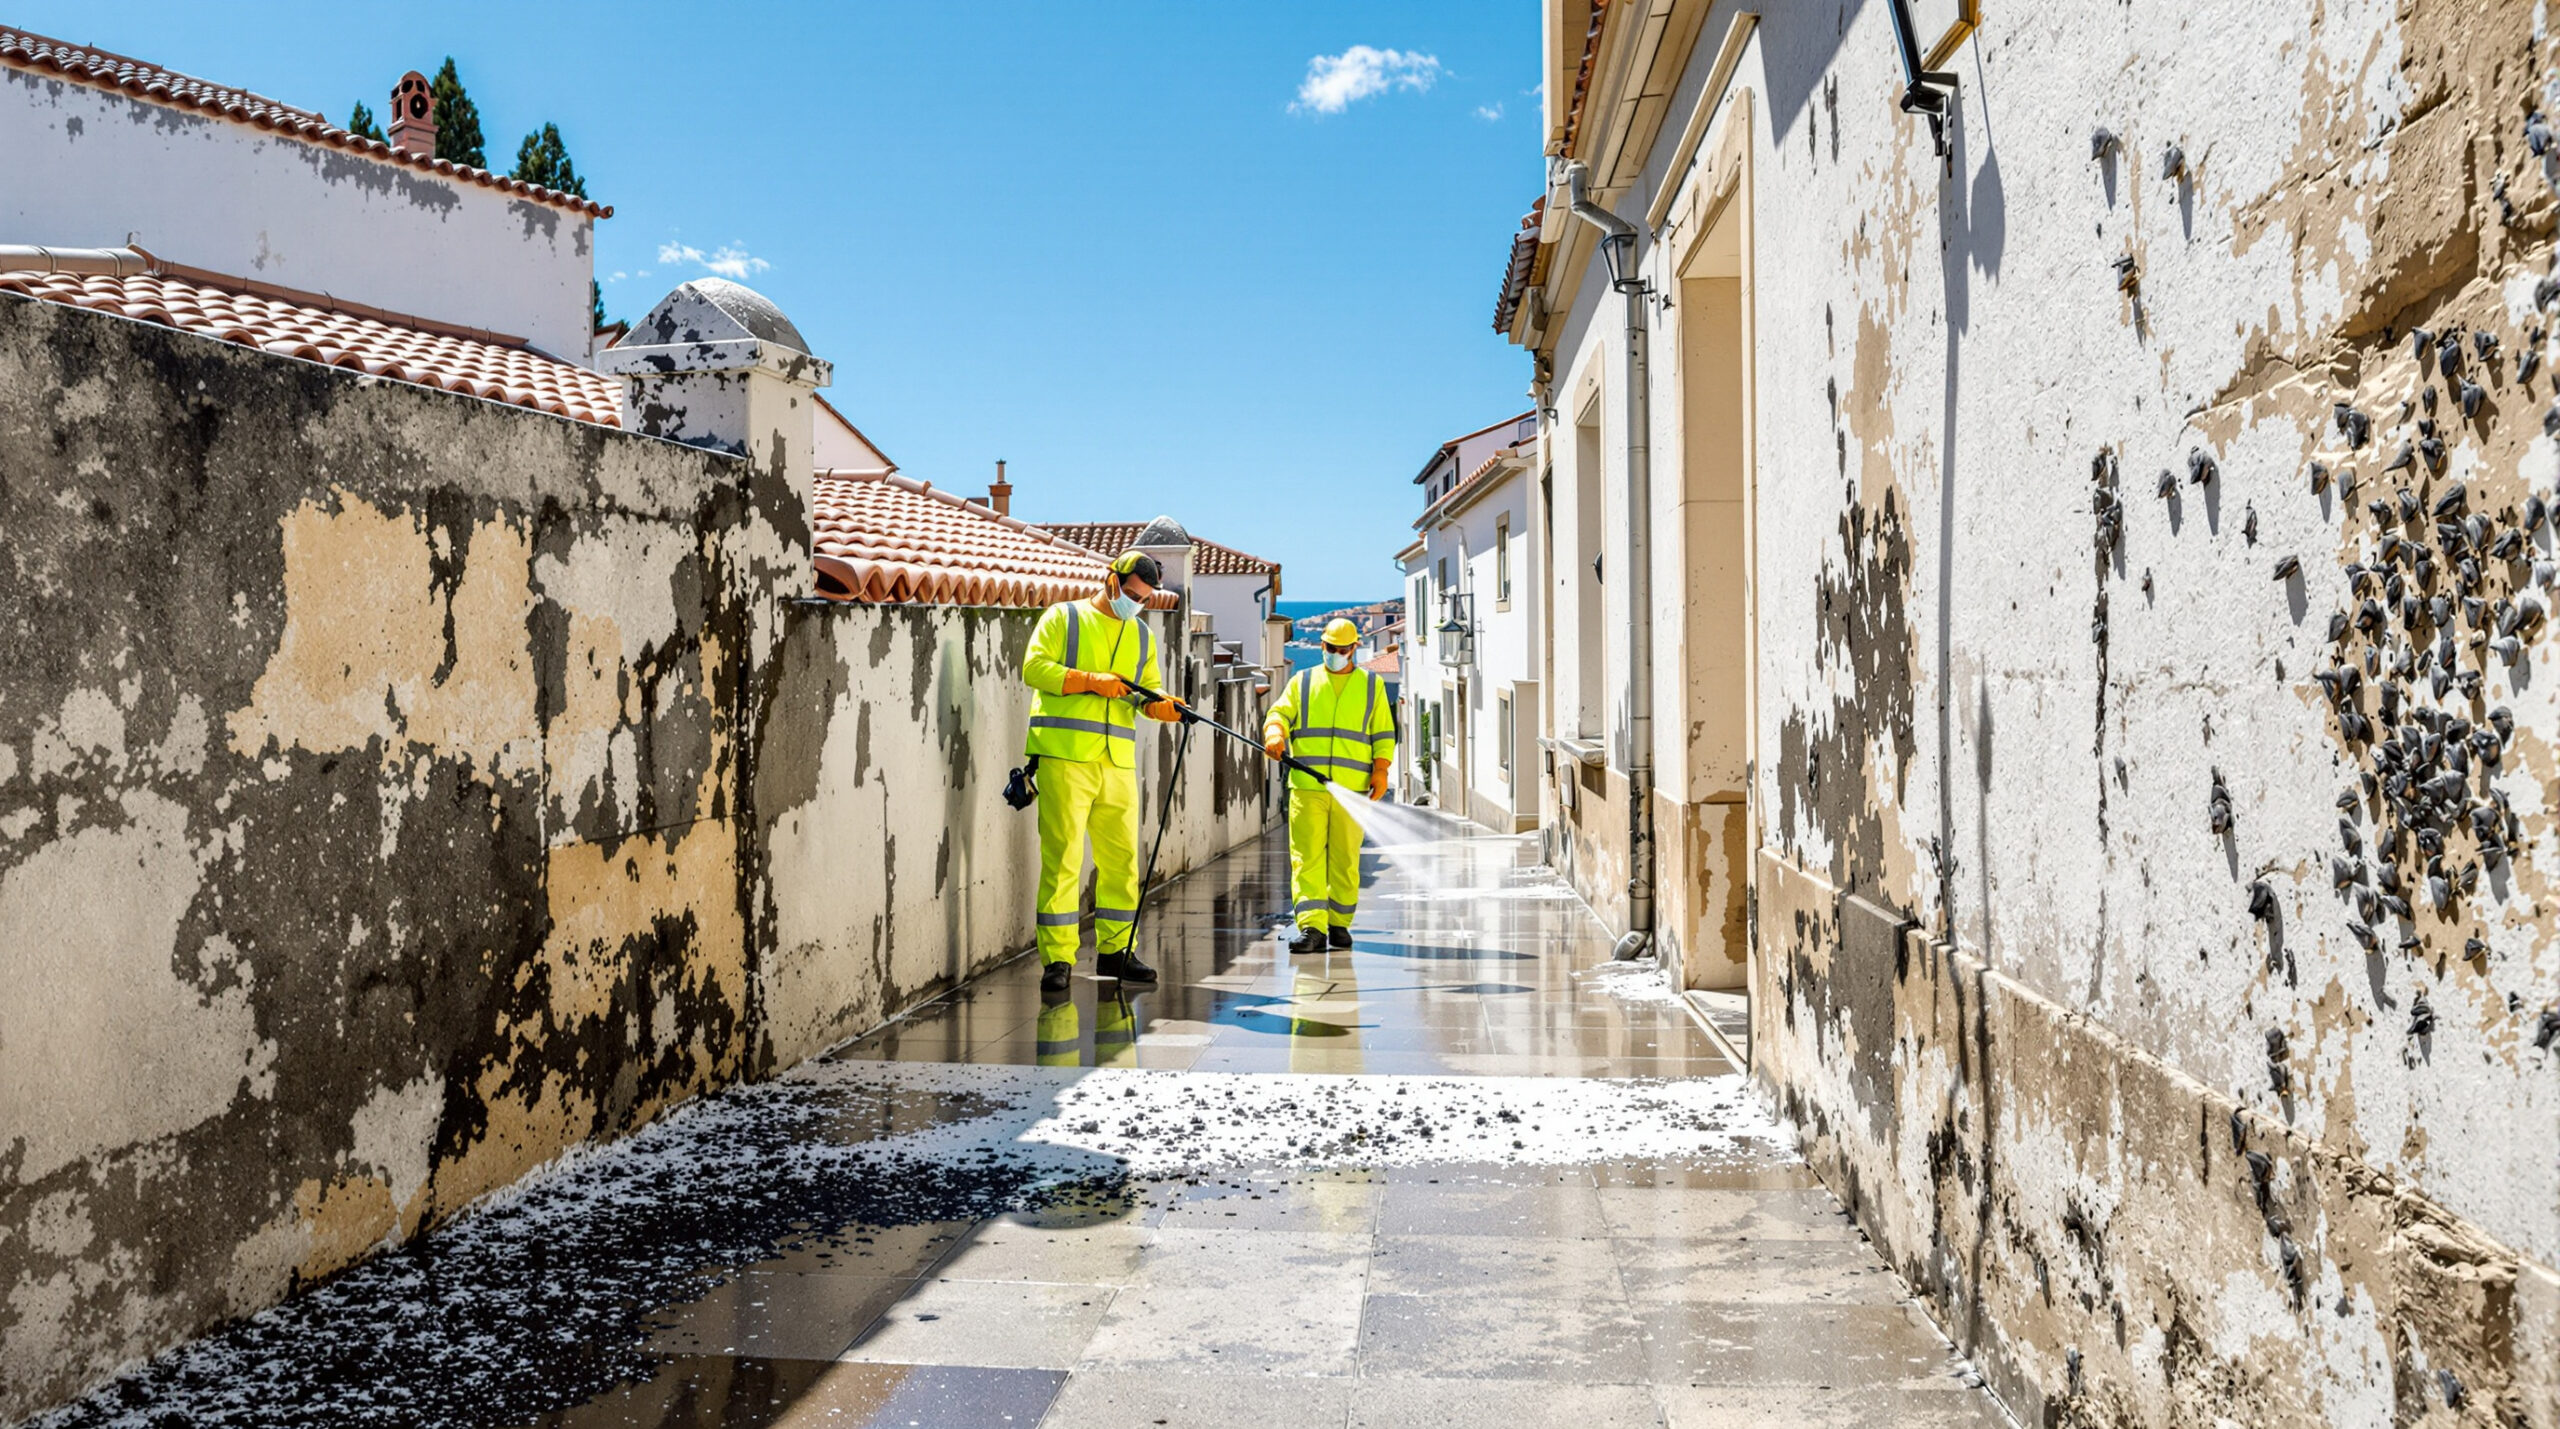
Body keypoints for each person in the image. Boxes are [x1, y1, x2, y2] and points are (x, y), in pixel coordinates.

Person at [1022, 551, 1187, 993]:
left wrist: (1165, 708)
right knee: (1064, 859)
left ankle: (1116, 951)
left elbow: (1144, 695)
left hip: (1116, 761)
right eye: (1132, 594)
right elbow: (1033, 669)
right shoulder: (1064, 618)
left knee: (1122, 861)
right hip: (1065, 755)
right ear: (1111, 581)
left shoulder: (1141, 636)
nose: (1137, 604)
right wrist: (1091, 680)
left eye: (1145, 599)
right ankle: (1057, 959)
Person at [1262, 618, 1396, 955]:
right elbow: (1279, 712)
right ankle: (1312, 927)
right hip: (1308, 785)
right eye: (1331, 648)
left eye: (1343, 649)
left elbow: (1383, 732)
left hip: (1353, 789)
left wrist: (1381, 770)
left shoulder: (1370, 685)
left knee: (1345, 859)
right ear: (1322, 645)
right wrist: (1275, 732)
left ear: (1354, 648)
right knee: (1306, 857)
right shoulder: (1302, 681)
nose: (1336, 654)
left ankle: (1339, 924)